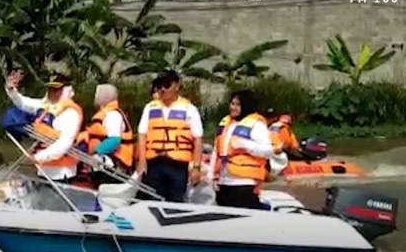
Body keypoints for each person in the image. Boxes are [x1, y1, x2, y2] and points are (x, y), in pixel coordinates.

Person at [136, 70, 204, 202]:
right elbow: (142, 135)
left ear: (177, 86)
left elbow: (198, 140)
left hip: (178, 165)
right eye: (160, 86)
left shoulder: (189, 109)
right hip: (154, 163)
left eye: (167, 85)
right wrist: (142, 161)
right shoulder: (150, 108)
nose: (163, 89)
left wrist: (196, 167)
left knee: (175, 202)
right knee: (152, 200)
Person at [5, 70, 83, 183]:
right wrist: (11, 90)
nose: (52, 92)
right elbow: (23, 103)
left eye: (56, 89)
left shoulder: (70, 113)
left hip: (62, 174)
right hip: (43, 171)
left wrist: (37, 158)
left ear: (66, 90)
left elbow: (64, 144)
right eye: (50, 89)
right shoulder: (45, 106)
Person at [210, 90, 283, 209]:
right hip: (223, 181)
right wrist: (211, 176)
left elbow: (267, 151)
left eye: (237, 104)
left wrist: (245, 145)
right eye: (232, 104)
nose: (233, 107)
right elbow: (216, 151)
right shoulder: (226, 123)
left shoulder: (256, 124)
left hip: (244, 182)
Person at [76, 84, 134, 187]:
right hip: (102, 166)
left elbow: (114, 141)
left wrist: (95, 151)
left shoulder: (113, 115)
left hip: (112, 169)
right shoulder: (106, 114)